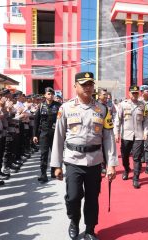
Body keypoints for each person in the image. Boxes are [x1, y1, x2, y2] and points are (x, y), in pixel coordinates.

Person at [50, 72, 118, 240]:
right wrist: (56, 165)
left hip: (94, 161)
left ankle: (89, 229)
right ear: (75, 86)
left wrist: (111, 164)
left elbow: (108, 138)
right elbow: (58, 137)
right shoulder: (66, 108)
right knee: (73, 197)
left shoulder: (102, 109)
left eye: (90, 84)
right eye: (83, 84)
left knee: (92, 198)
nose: (88, 87)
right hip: (73, 159)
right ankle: (74, 221)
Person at [114, 85, 147, 189]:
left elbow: (146, 121)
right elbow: (118, 120)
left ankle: (136, 178)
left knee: (137, 157)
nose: (135, 95)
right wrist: (117, 133)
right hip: (126, 135)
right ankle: (126, 169)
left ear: (139, 93)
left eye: (136, 93)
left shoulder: (142, 105)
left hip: (138, 135)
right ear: (129, 94)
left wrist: (145, 132)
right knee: (124, 156)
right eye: (133, 93)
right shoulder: (123, 105)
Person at [33, 87, 62, 183]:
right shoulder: (41, 106)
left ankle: (54, 172)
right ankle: (43, 174)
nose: (50, 95)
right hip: (44, 133)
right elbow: (36, 121)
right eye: (49, 94)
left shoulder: (58, 106)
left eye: (52, 94)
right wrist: (35, 135)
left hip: (55, 133)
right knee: (44, 154)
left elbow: (62, 120)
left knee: (54, 153)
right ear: (45, 95)